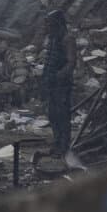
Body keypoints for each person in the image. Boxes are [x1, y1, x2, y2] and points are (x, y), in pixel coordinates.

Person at [42, 10, 75, 155]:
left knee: (62, 115)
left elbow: (71, 62)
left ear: (58, 23)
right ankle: (57, 142)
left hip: (61, 85)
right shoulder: (53, 38)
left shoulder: (67, 38)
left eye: (50, 24)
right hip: (51, 84)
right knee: (53, 114)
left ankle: (63, 146)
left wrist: (59, 76)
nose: (48, 27)